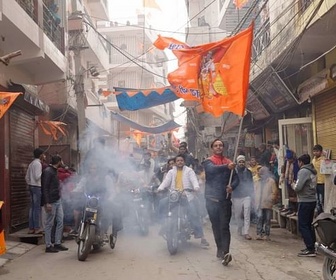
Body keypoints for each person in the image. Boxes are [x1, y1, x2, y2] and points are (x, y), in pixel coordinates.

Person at [157, 154, 209, 247]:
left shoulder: (189, 171)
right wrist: (160, 188)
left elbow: (193, 180)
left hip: (187, 196)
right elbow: (166, 182)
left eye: (181, 160)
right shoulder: (171, 172)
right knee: (162, 203)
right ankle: (163, 224)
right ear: (175, 162)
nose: (179, 162)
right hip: (174, 196)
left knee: (193, 214)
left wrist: (196, 187)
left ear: (184, 162)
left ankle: (202, 237)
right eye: (178, 161)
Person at [203, 139, 239, 266]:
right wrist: (226, 167)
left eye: (220, 145)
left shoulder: (230, 162)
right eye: (216, 146)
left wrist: (232, 187)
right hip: (211, 199)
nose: (218, 147)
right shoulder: (208, 162)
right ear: (212, 148)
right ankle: (219, 248)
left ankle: (226, 253)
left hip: (225, 200)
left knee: (224, 226)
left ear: (223, 147)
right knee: (216, 226)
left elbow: (236, 179)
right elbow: (212, 170)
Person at [72, 162, 122, 248]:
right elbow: (79, 186)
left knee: (111, 213)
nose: (93, 170)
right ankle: (76, 230)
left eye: (95, 168)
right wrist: (73, 192)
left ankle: (109, 234)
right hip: (88, 200)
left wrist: (109, 199)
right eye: (91, 168)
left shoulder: (106, 178)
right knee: (77, 210)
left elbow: (112, 191)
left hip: (102, 201)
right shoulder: (86, 178)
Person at [292, 154, 317, 257]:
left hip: (305, 201)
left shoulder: (303, 171)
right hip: (312, 200)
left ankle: (310, 248)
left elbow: (298, 187)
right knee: (309, 224)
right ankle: (312, 246)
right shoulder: (312, 171)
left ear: (301, 162)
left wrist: (293, 185)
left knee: (303, 225)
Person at [42, 155, 68, 253]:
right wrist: (47, 202)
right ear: (59, 161)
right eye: (61, 161)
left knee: (60, 221)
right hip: (51, 201)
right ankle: (48, 245)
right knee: (49, 223)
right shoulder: (48, 171)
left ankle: (57, 243)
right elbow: (45, 187)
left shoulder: (54, 170)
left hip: (57, 200)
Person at [232, 155, 254, 240]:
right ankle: (239, 227)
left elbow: (251, 184)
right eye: (240, 162)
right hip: (236, 196)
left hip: (246, 196)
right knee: (237, 215)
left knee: (247, 214)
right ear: (237, 162)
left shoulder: (248, 172)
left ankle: (246, 232)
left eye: (243, 162)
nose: (241, 163)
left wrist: (252, 196)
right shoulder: (233, 172)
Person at [255, 167, 278, 241]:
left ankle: (267, 234)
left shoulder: (271, 181)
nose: (261, 175)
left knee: (267, 220)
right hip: (259, 203)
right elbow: (254, 191)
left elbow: (274, 192)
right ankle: (259, 233)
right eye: (260, 173)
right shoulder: (257, 181)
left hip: (268, 204)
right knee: (259, 218)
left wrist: (270, 199)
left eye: (263, 173)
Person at [25, 148, 45, 234]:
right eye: (43, 154)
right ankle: (37, 228)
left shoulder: (31, 163)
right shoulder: (38, 164)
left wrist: (30, 183)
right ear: (40, 155)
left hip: (31, 186)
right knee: (36, 208)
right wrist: (43, 172)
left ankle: (31, 228)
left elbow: (26, 177)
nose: (44, 156)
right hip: (37, 187)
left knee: (32, 207)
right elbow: (37, 176)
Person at [280, 150, 300, 215]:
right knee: (290, 195)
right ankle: (291, 209)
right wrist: (282, 177)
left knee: (295, 196)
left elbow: (297, 171)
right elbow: (283, 169)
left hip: (294, 181)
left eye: (290, 159)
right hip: (288, 180)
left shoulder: (296, 162)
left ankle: (296, 210)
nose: (289, 160)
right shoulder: (286, 162)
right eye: (288, 159)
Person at [312, 144, 325, 215]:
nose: (315, 153)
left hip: (322, 182)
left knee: (321, 199)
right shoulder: (313, 160)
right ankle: (319, 213)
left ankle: (322, 213)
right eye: (314, 151)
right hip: (315, 182)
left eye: (317, 151)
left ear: (321, 152)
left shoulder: (324, 160)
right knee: (316, 199)